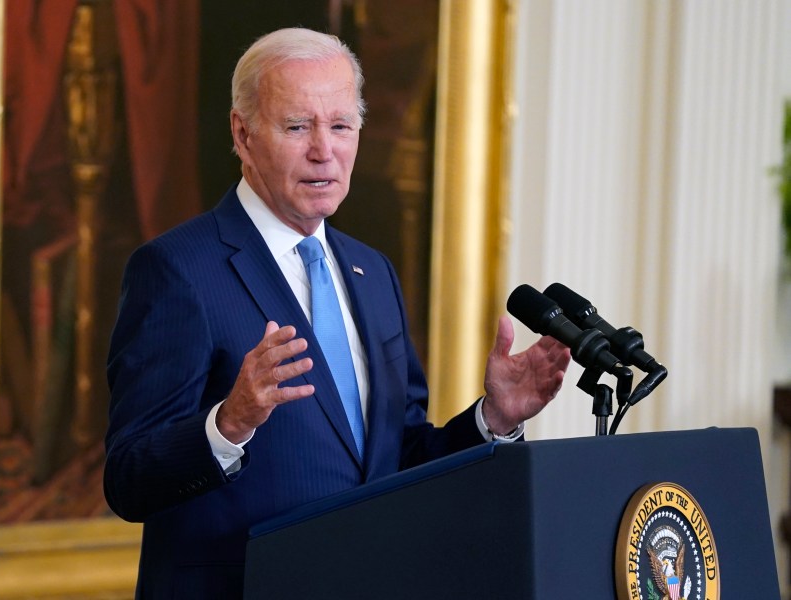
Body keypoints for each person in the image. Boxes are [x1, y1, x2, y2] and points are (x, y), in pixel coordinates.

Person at [104, 27, 571, 599]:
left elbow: (397, 460)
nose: (324, 150)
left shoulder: (372, 273)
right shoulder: (177, 269)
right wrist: (229, 423)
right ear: (242, 133)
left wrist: (493, 420)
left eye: (341, 126)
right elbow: (127, 480)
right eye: (298, 126)